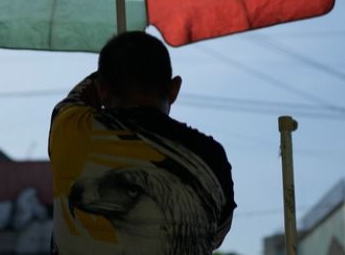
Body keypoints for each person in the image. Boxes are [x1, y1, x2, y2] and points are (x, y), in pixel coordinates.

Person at [48, 31, 235, 255]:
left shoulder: (70, 130)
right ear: (174, 89)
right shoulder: (209, 159)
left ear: (103, 91)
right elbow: (214, 236)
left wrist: (115, 69)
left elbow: (79, 96)